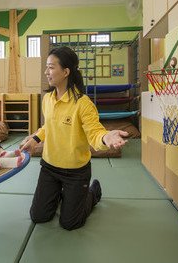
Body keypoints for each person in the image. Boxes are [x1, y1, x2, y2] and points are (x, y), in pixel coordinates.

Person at [20, 46, 128, 230]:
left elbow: (95, 133)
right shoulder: (48, 99)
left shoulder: (83, 103)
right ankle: (66, 196)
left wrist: (106, 137)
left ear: (66, 72)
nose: (46, 72)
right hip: (50, 168)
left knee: (70, 223)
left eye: (51, 67)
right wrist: (35, 139)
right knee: (38, 216)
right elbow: (49, 126)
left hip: (76, 172)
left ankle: (92, 193)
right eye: (46, 67)